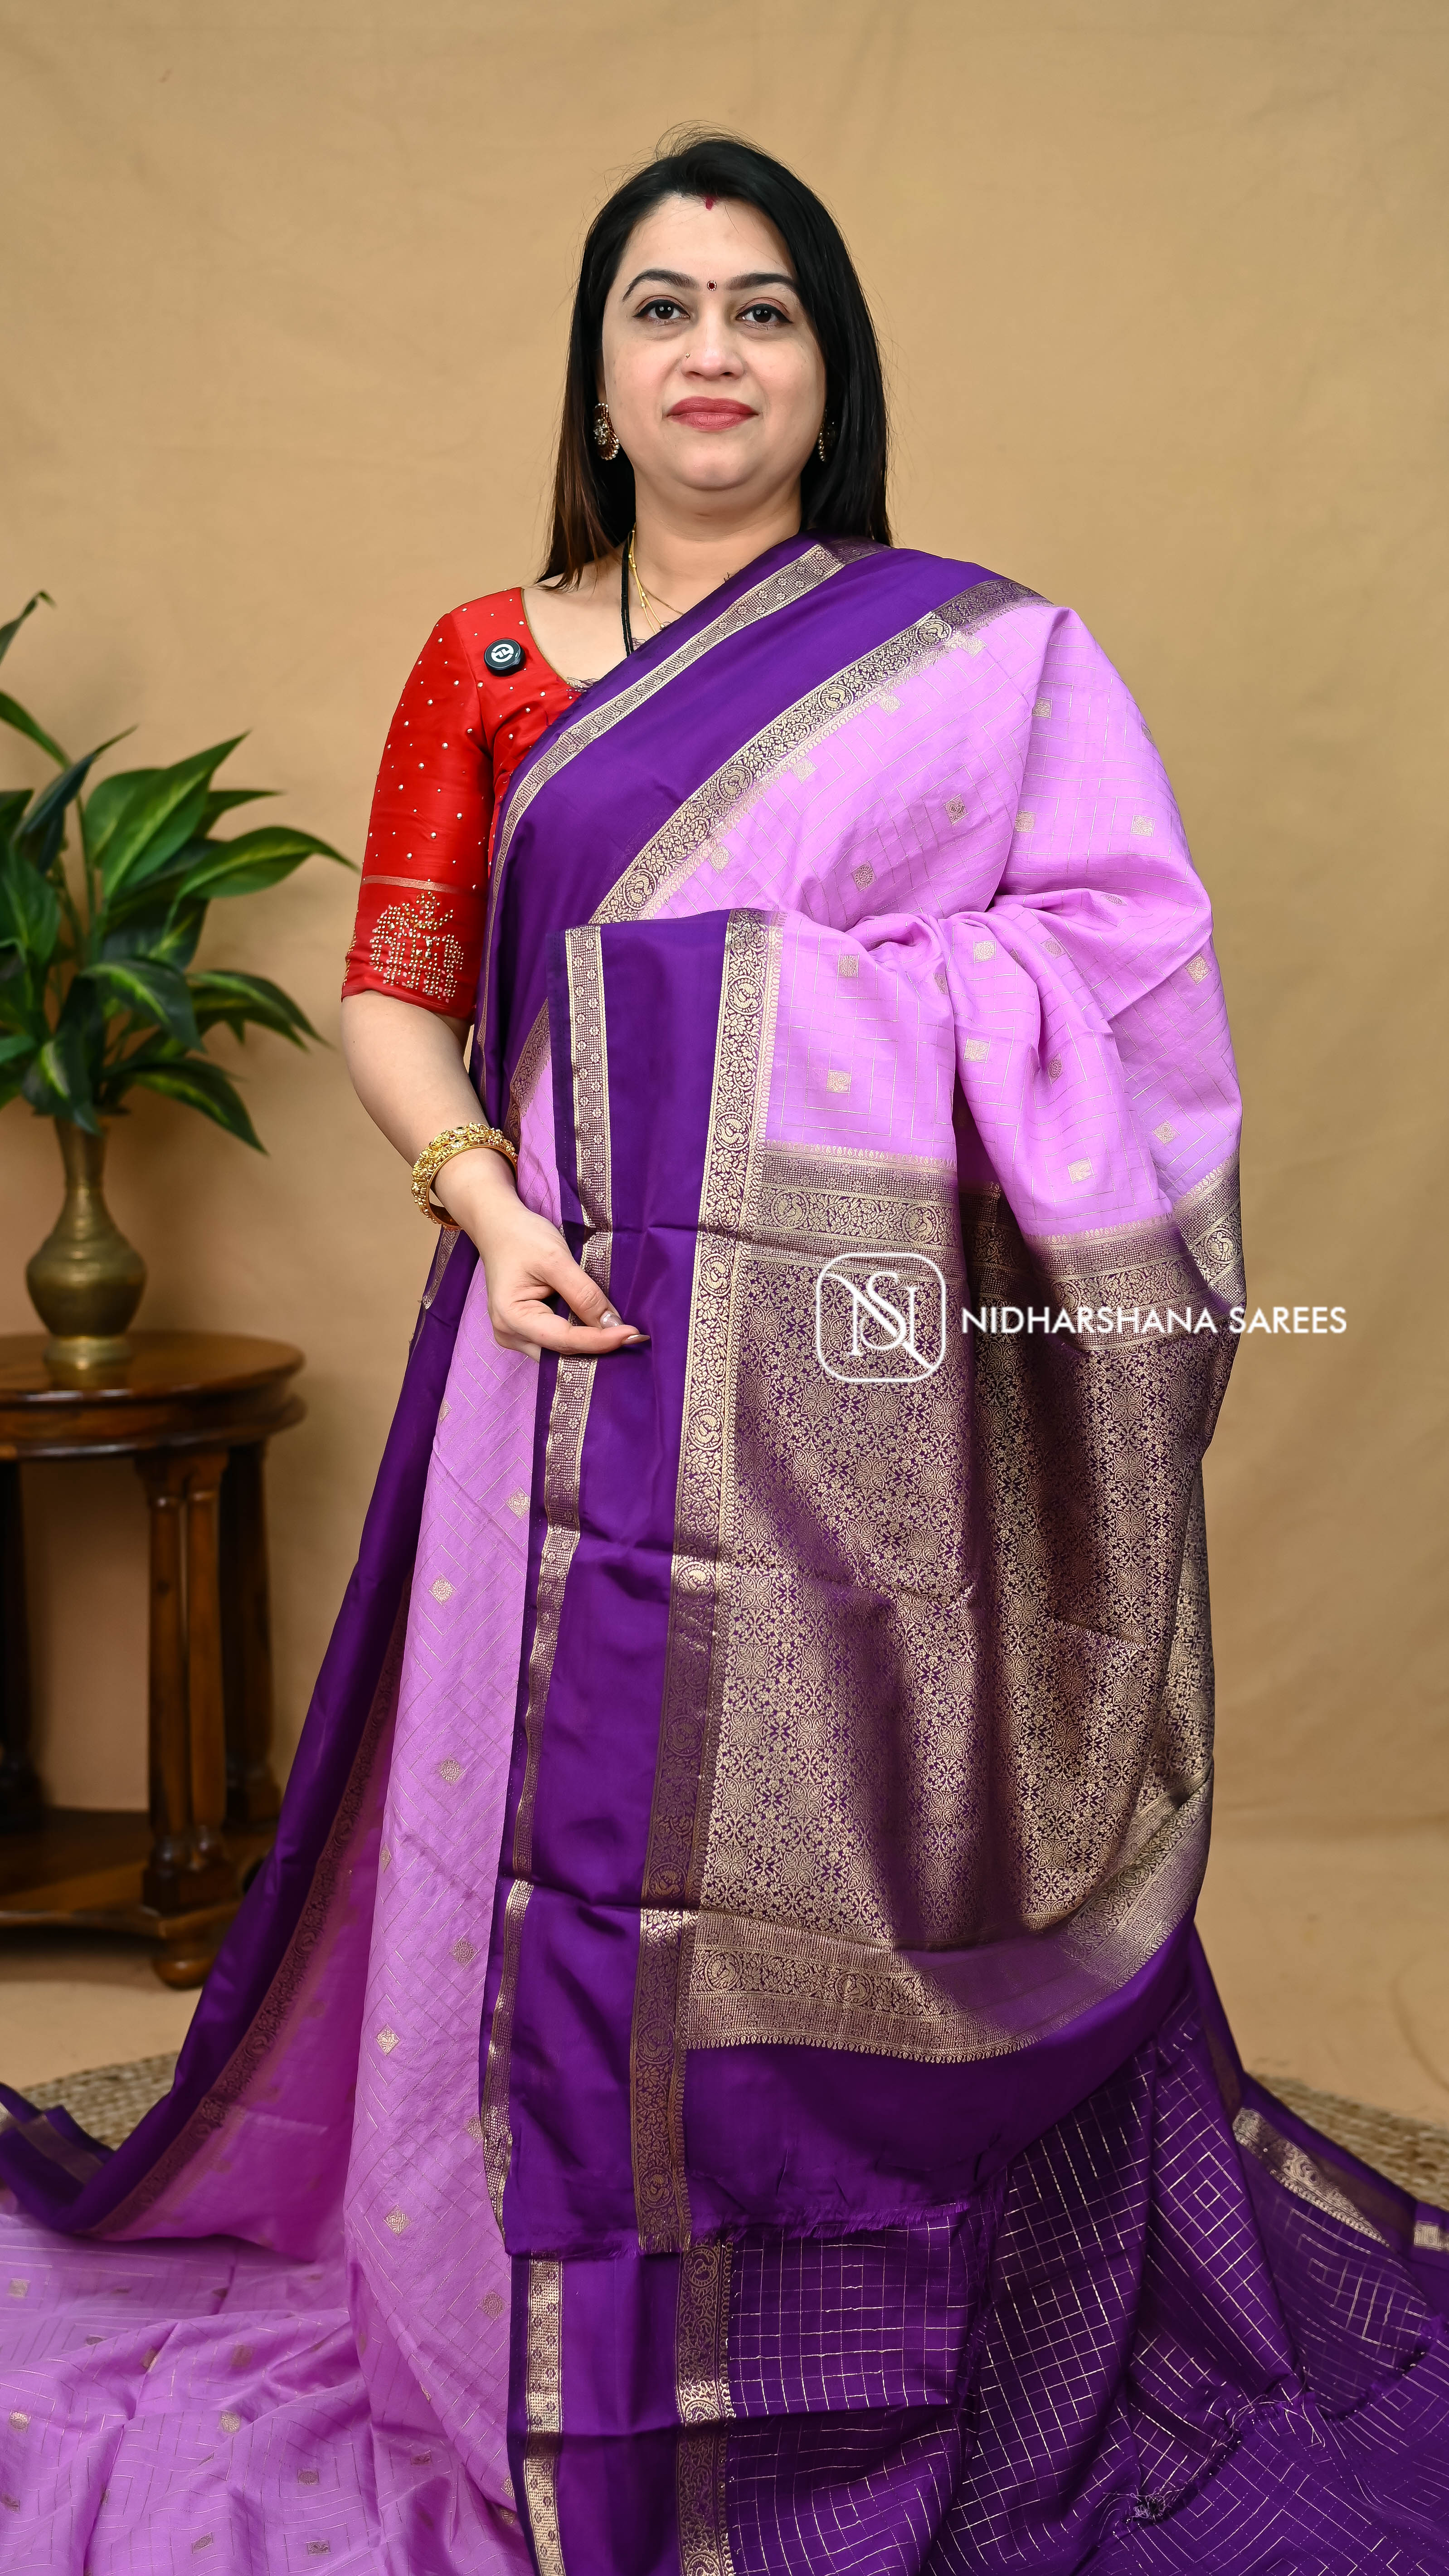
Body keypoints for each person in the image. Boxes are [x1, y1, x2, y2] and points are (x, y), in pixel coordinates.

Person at [2, 134, 1446, 2576]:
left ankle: (886, 2298)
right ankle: (527, 2326)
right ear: (596, 377)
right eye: (661, 308)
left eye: (763, 311)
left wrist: (751, 1029)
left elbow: (1115, 989)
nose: (711, 353)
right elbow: (397, 992)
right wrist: (489, 1201)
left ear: (827, 371)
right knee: (542, 1850)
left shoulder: (979, 666)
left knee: (844, 1833)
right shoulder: (486, 661)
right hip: (561, 1341)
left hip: (867, 1395)